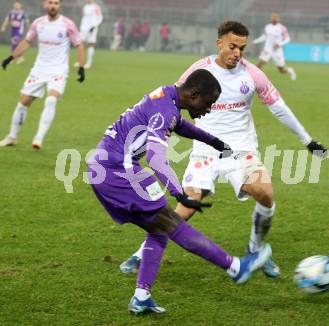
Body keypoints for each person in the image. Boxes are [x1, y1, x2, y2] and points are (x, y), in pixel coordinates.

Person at [120, 21, 328, 279]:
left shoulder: (252, 74)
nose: (237, 53)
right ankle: (141, 253)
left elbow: (279, 107)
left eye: (242, 48)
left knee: (265, 194)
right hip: (204, 151)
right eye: (232, 46)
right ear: (219, 43)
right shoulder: (199, 71)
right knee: (187, 205)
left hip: (241, 150)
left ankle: (255, 250)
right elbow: (171, 104)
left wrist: (307, 140)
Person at [87, 68, 272, 314]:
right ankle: (236, 267)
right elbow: (155, 157)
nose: (208, 110)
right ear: (194, 95)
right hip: (118, 170)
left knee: (159, 229)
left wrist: (215, 142)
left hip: (105, 167)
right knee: (171, 222)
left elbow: (181, 125)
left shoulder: (167, 96)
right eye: (208, 103)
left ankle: (141, 297)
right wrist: (179, 193)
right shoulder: (166, 110)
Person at [0, 0, 85, 150]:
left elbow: (78, 44)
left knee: (51, 99)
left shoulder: (67, 24)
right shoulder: (38, 23)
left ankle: (38, 138)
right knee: (23, 103)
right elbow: (27, 41)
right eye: (50, 2)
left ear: (59, 6)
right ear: (45, 5)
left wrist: (81, 66)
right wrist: (11, 57)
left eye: (56, 3)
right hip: (39, 69)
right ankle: (12, 137)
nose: (53, 5)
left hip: (58, 70)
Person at [253, 13, 297, 81]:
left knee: (281, 69)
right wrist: (255, 41)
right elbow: (264, 36)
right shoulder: (267, 26)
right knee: (260, 63)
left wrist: (279, 44)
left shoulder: (282, 28)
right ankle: (256, 79)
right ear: (271, 18)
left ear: (278, 19)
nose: (274, 18)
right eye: (273, 17)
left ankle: (289, 71)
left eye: (276, 17)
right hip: (267, 49)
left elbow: (288, 39)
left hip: (277, 50)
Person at [78, 0, 102, 69]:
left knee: (90, 44)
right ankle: (80, 62)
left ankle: (89, 63)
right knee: (80, 44)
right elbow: (84, 18)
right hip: (83, 28)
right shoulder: (85, 7)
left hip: (92, 28)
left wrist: (94, 26)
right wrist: (81, 26)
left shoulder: (96, 7)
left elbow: (100, 18)